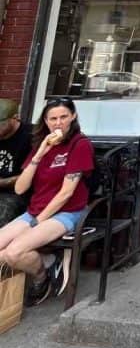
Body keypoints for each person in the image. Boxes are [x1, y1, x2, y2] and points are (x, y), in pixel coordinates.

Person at [0, 97, 94, 306]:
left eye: (63, 117)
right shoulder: (41, 146)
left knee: (13, 253)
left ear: (73, 117)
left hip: (66, 213)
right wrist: (40, 152)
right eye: (53, 119)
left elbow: (66, 193)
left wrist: (37, 222)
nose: (58, 123)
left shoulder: (80, 144)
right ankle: (49, 261)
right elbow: (20, 188)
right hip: (35, 210)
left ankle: (42, 279)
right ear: (45, 121)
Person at [0, 100, 32, 226]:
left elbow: (34, 175)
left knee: (4, 209)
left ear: (15, 118)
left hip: (17, 193)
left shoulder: (32, 137)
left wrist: (3, 182)